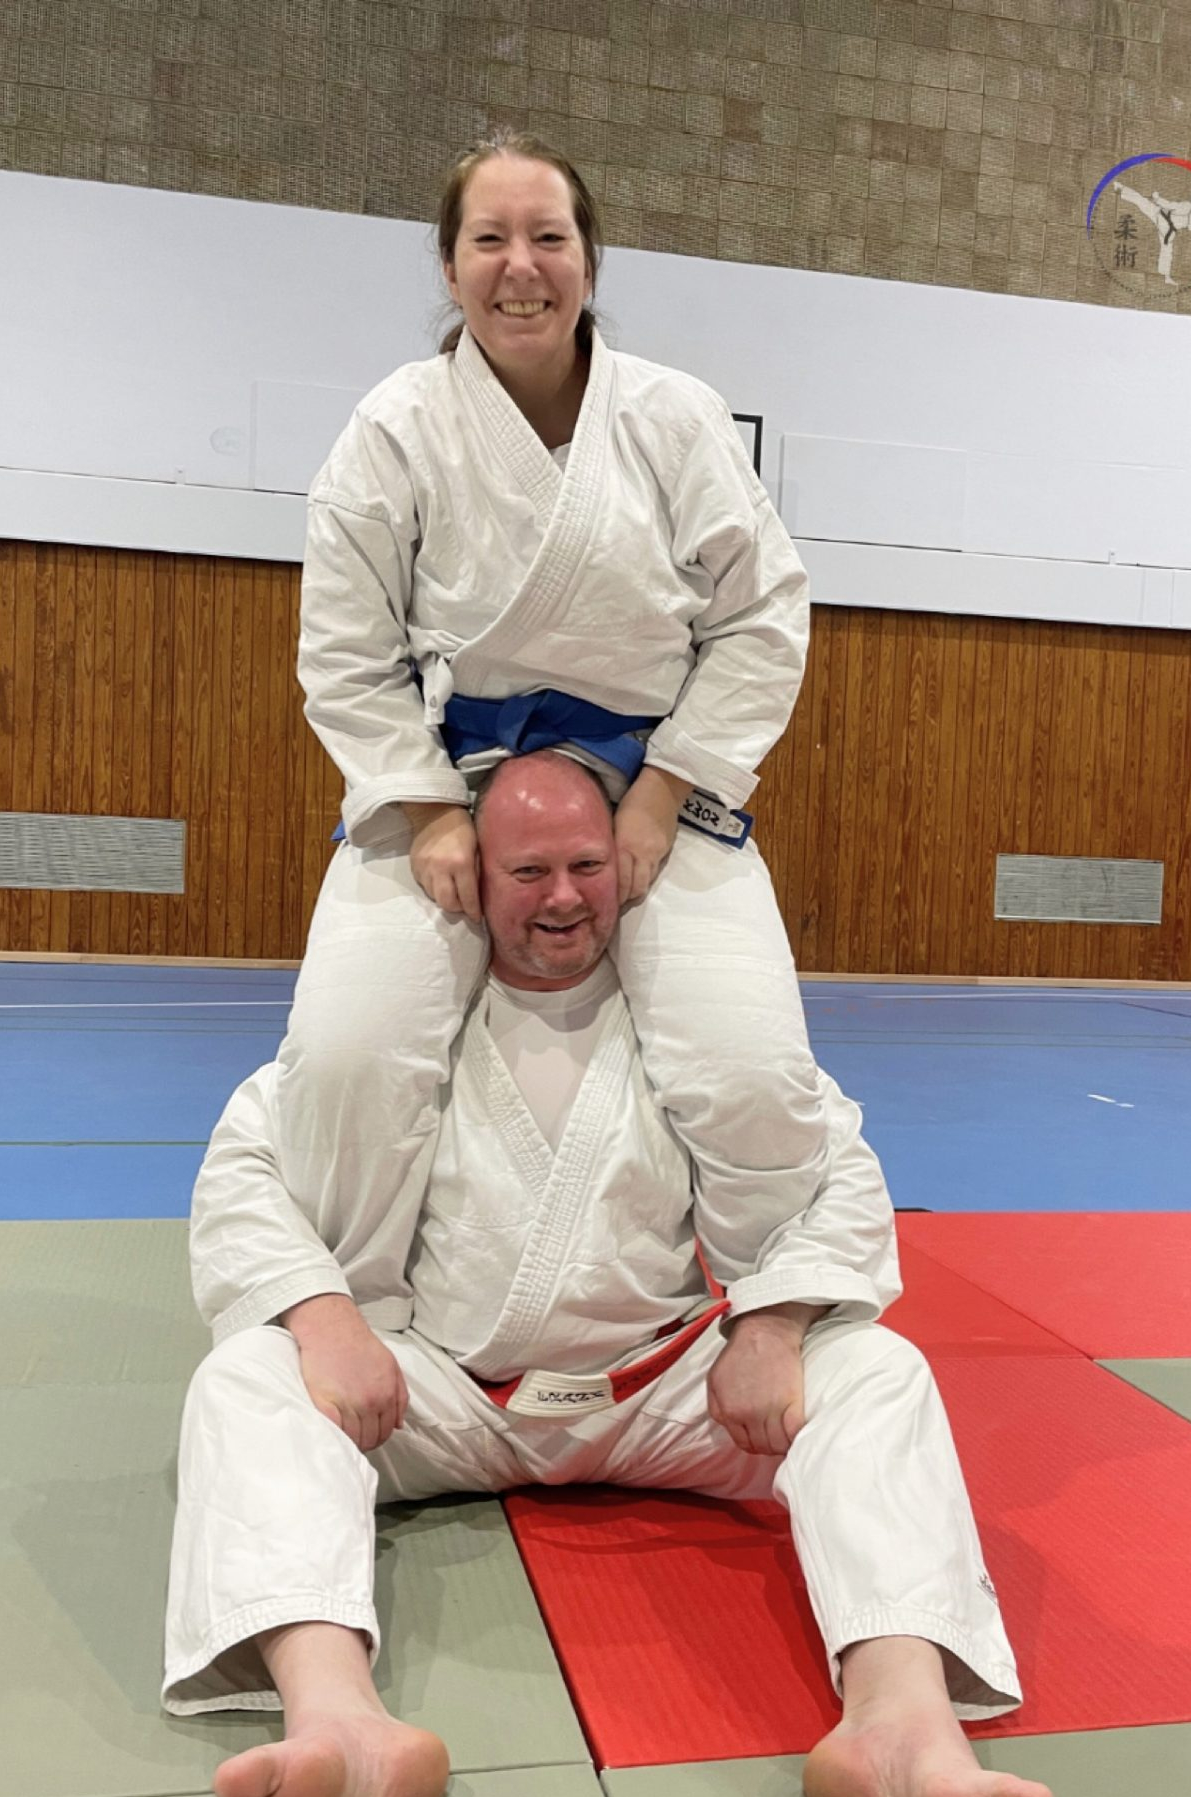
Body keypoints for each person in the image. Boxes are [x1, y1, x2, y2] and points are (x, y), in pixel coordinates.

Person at [165, 752, 1057, 1797]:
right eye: (527, 870)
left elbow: (838, 1171)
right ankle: (341, 1727)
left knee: (877, 1369)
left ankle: (897, 1728)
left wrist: (769, 1323)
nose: (563, 897)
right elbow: (247, 1167)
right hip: (437, 1397)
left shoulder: (694, 1027)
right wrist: (326, 1317)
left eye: (587, 865)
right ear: (470, 875)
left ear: (626, 866)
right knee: (248, 1374)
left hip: (664, 1393)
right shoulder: (397, 1030)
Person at [275, 130, 829, 1354]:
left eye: (547, 237)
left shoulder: (673, 418)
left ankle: (779, 1319)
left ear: (589, 259)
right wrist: (427, 810)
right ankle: (348, 1318)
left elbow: (761, 614)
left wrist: (667, 790)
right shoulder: (394, 427)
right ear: (449, 264)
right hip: (451, 785)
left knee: (747, 1064)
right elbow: (344, 649)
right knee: (347, 1055)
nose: (519, 266)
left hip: (653, 786)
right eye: (489, 239)